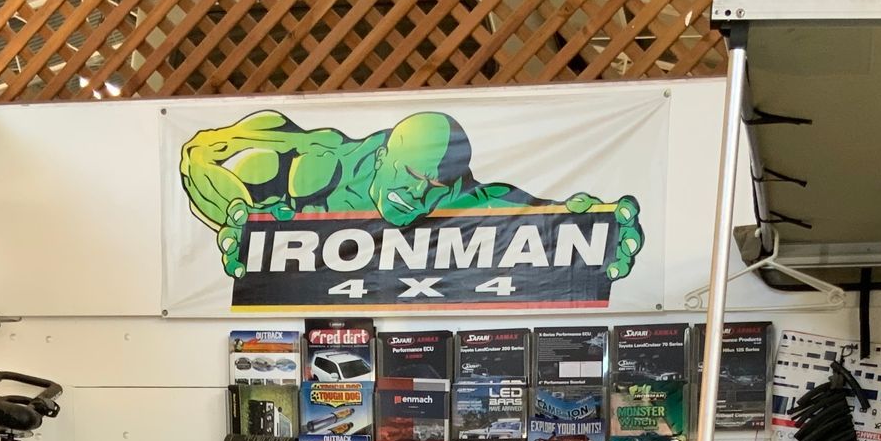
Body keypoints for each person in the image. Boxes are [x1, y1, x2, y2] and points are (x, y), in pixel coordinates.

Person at [180, 109, 643, 280]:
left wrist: (595, 229)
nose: (417, 195)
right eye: (411, 174)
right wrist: (239, 214)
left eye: (434, 187)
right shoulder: (312, 165)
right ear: (384, 155)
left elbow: (533, 215)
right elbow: (198, 155)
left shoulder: (458, 194)